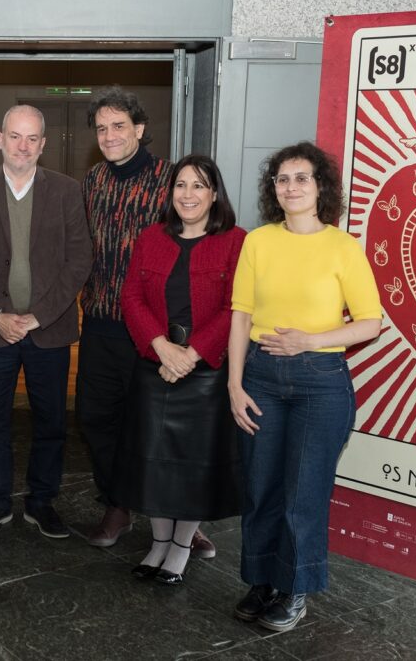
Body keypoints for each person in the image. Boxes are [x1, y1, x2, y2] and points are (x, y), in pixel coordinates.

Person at [228, 142, 382, 631]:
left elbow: (369, 323)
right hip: (260, 378)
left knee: (303, 494)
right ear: (273, 189)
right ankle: (263, 580)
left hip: (321, 383)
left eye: (301, 178)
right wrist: (234, 383)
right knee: (261, 489)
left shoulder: (342, 246)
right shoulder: (258, 242)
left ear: (320, 187)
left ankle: (295, 588)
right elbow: (241, 315)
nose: (290, 187)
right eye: (281, 179)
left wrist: (310, 340)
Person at [78, 85, 215, 558]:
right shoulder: (93, 179)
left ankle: (181, 518)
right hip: (99, 319)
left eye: (119, 126)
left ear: (139, 129)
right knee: (97, 418)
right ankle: (118, 502)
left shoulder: (170, 180)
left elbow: (192, 243)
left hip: (154, 332)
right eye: (101, 128)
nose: (110, 135)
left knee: (161, 428)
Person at [116, 155, 245, 585]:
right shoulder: (152, 237)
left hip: (204, 372)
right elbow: (131, 297)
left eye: (199, 186)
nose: (188, 194)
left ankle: (181, 546)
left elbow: (237, 308)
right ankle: (157, 543)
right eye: (181, 186)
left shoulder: (235, 241)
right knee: (154, 464)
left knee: (190, 465)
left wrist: (191, 355)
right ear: (170, 193)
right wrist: (160, 346)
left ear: (214, 195)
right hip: (155, 364)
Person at [0, 105, 92, 539]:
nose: (23, 146)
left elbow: (79, 261)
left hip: (49, 331)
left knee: (52, 423)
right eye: (15, 136)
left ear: (43, 144)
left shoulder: (66, 190)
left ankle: (42, 502)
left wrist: (38, 316)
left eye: (32, 138)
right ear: (0, 139)